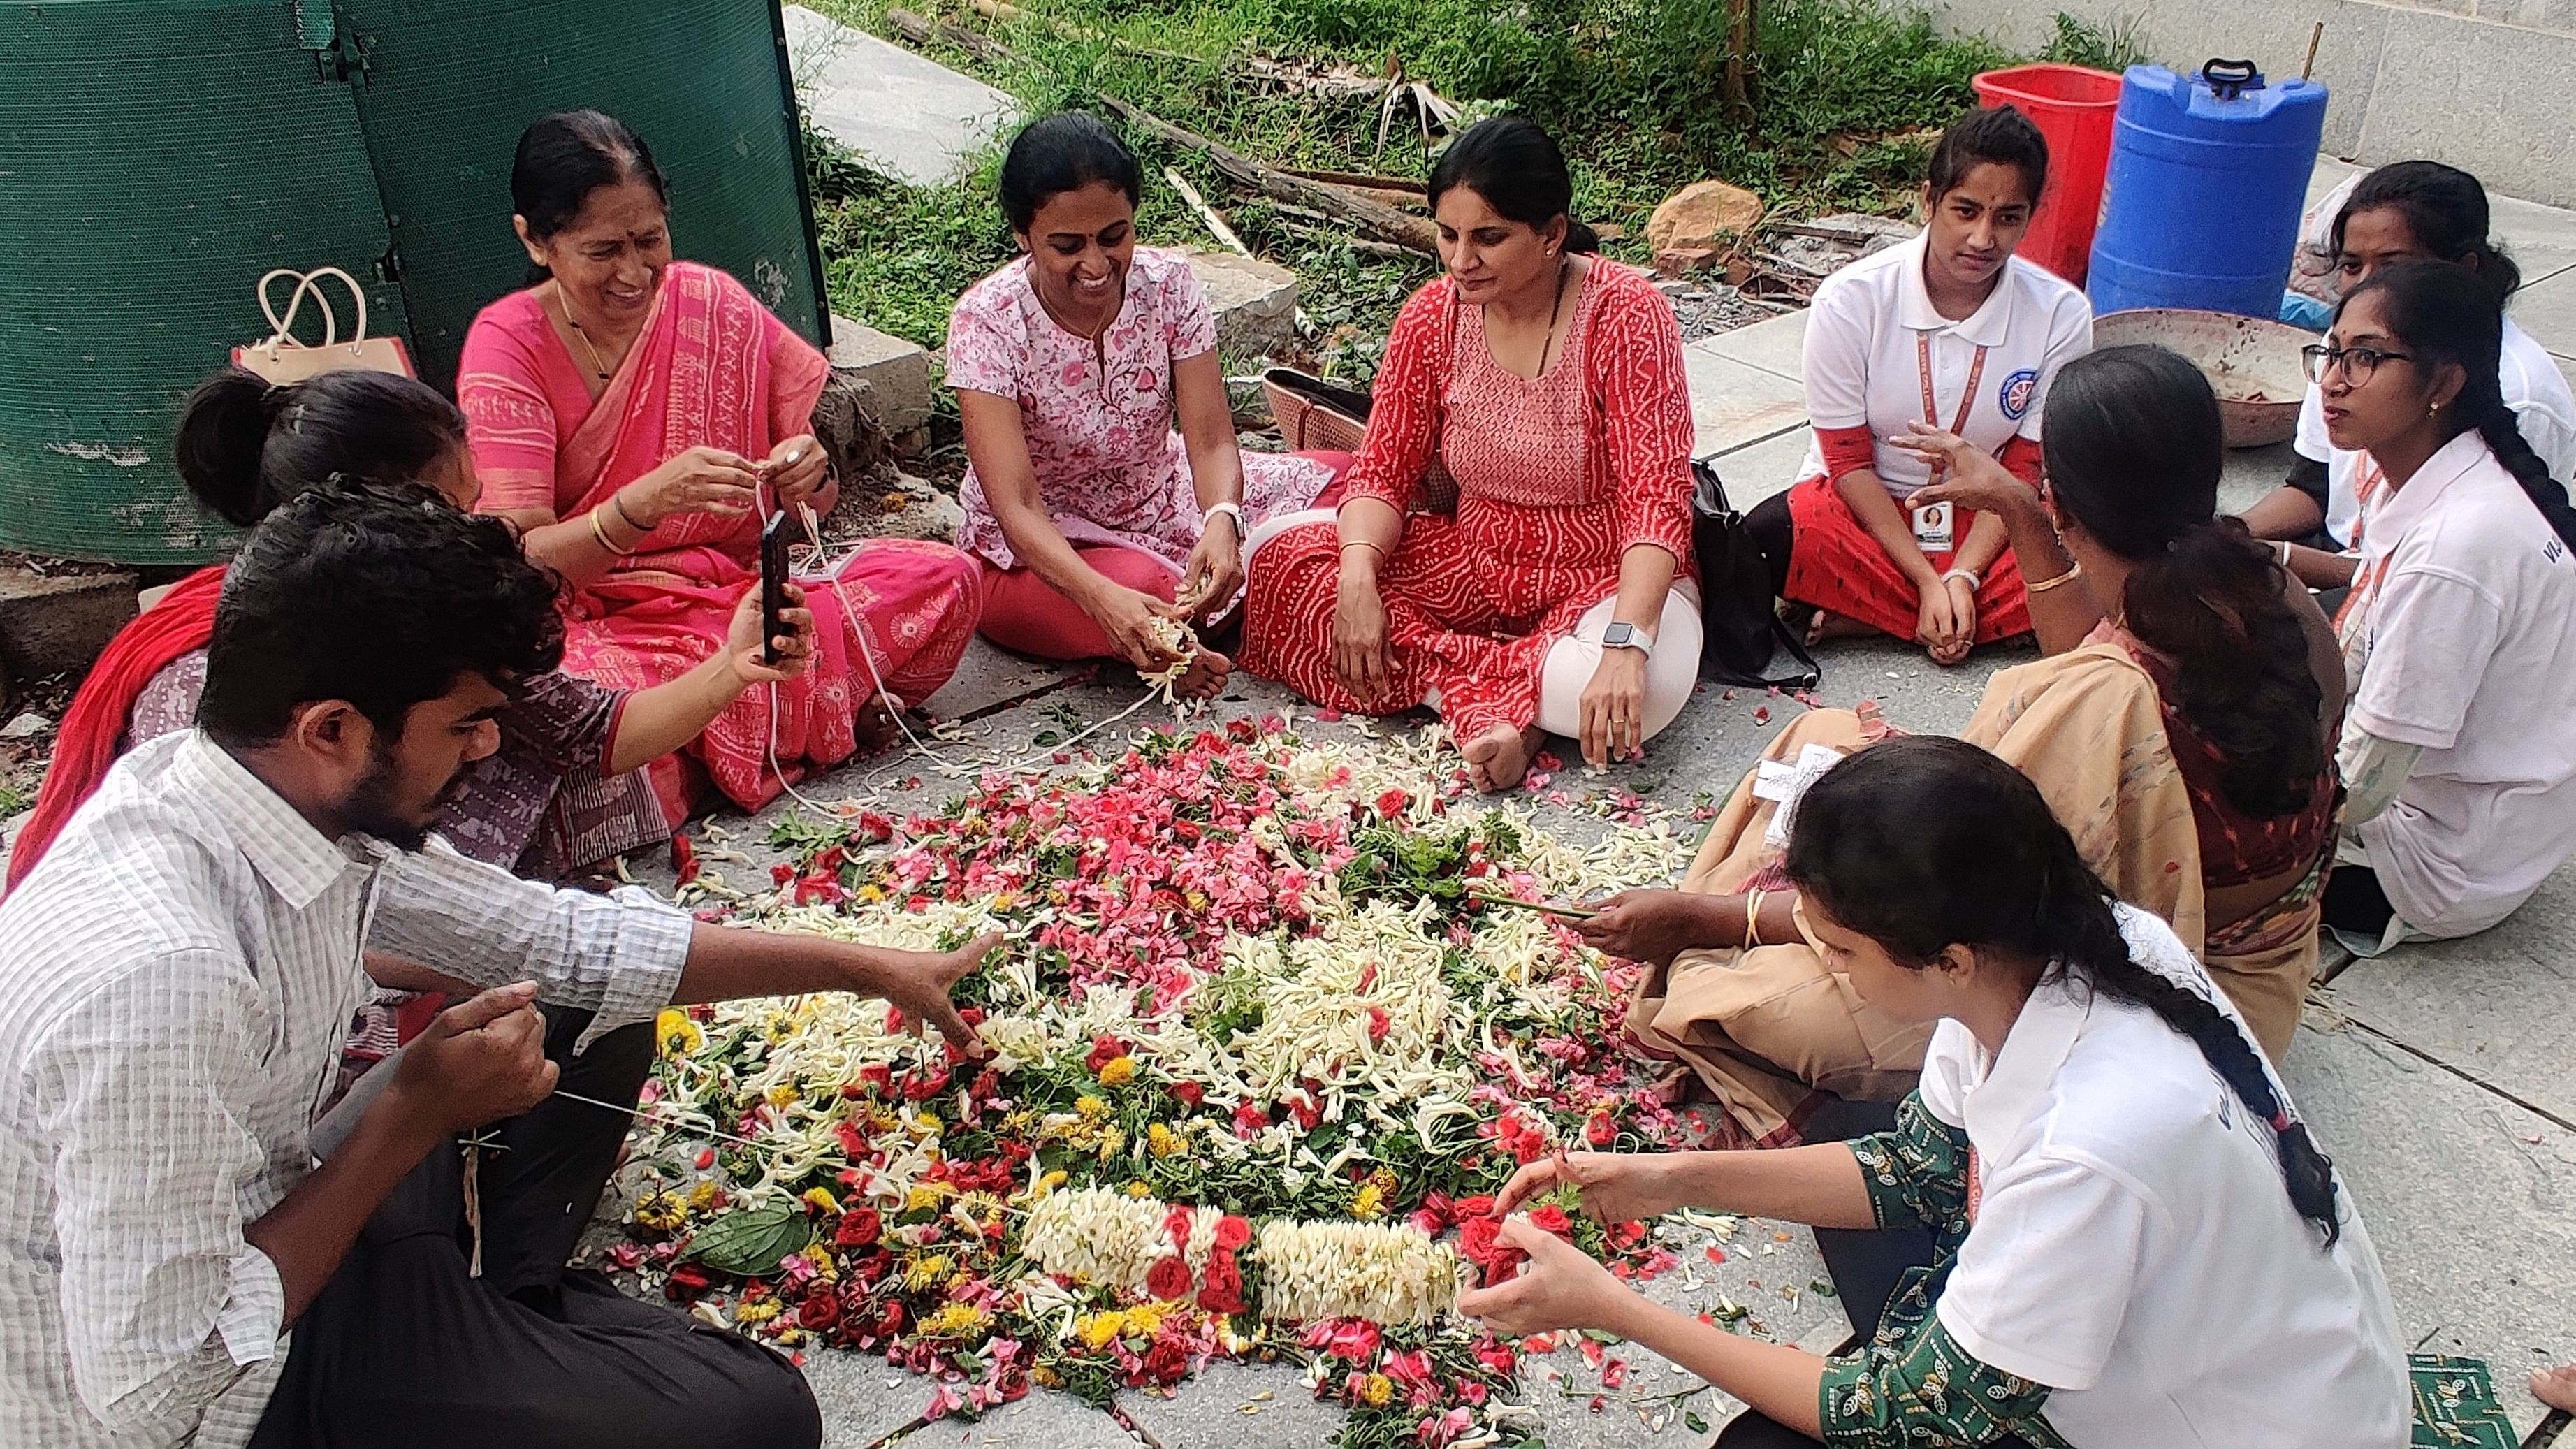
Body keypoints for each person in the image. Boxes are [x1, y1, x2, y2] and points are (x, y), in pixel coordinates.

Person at [0, 482, 999, 1449]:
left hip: (272, 1204)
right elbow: (154, 1392)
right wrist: (410, 1112)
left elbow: (558, 937)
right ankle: (481, 1354)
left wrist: (868, 965)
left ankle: (502, 1314)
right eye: (465, 722)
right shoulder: (161, 978)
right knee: (756, 1414)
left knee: (579, 1002)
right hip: (223, 1393)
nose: (487, 750)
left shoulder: (261, 794)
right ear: (332, 728)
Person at [1459, 737, 2410, 1448]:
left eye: (1836, 949)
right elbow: (1916, 1164)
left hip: (2237, 1425)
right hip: (2248, 1332)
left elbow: (1896, 1418)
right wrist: (1664, 1178)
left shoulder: (2087, 1147)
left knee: (1760, 1442)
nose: (1821, 963)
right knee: (1858, 1144)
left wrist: (1611, 1305)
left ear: (1946, 956)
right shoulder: (2064, 940)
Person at [1603, 347, 2341, 1147]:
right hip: (2258, 940)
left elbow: (1961, 903)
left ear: (2066, 502)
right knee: (1813, 741)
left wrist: (1715, 916)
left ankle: (1714, 949)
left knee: (1727, 998)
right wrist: (2021, 515)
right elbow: (2092, 653)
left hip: (2170, 1003)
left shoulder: (2097, 701)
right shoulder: (2268, 580)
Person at [8, 367, 816, 892]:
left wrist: (735, 664)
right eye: (453, 509)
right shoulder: (215, 711)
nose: (479, 527)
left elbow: (591, 729)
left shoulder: (436, 599)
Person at [457, 109, 978, 821]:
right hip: (606, 628)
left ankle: (709, 750)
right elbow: (512, 569)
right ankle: (764, 730)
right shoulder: (507, 346)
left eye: (650, 239)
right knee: (569, 702)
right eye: (603, 250)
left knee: (943, 578)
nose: (636, 273)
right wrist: (637, 507)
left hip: (740, 602)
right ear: (537, 242)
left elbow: (811, 505)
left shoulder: (710, 303)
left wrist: (809, 470)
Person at [1240, 116, 1700, 790]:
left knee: (1647, 685)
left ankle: (1488, 695)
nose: (1461, 261)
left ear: (1551, 235)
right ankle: (1487, 703)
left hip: (1601, 573)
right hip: (1474, 562)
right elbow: (1382, 471)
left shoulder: (1625, 314)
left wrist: (1627, 644)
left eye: (1488, 238)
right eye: (1447, 235)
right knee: (1277, 561)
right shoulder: (1433, 315)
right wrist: (1359, 581)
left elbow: (1656, 497)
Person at [950, 113, 1346, 696]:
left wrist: (1222, 520)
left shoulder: (1168, 286)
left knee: (1349, 485)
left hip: (1160, 494)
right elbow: (1019, 508)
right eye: (1067, 246)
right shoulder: (987, 322)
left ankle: (1230, 600)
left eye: (1114, 237)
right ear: (1022, 235)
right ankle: (1226, 604)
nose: (1094, 265)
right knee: (1156, 595)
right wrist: (1104, 601)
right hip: (1045, 548)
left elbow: (1209, 439)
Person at [1742, 105, 2092, 665]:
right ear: (1928, 201)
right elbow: (1848, 461)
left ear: (2031, 217)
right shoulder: (1851, 299)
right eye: (1965, 211)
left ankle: (1877, 617)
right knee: (1767, 535)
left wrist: (1960, 576)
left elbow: (2024, 469)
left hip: (1992, 521)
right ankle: (1956, 623)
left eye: (2007, 218)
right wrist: (1927, 582)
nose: (1982, 238)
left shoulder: (2060, 313)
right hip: (1869, 511)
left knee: (2091, 552)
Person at [2311, 260, 2576, 951]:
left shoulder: (2455, 549)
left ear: (2444, 383)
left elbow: (2360, 786)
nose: (2332, 379)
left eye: (2366, 357)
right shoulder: (2447, 469)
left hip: (2431, 864)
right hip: (2484, 823)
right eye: (2331, 351)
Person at [2241, 161, 2576, 588]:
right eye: (2351, 265)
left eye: (2393, 265)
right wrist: (2231, 533)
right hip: (2352, 560)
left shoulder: (2518, 396)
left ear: (2463, 269)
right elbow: (2314, 488)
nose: (2366, 287)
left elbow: (2451, 575)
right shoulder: (2350, 343)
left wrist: (2276, 559)